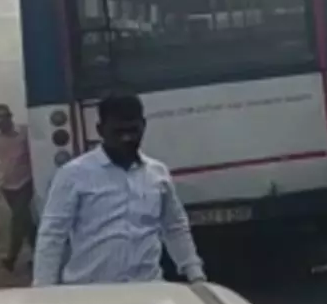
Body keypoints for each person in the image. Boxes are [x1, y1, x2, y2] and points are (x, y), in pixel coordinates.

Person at [32, 91, 206, 287]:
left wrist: (195, 275)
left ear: (144, 126)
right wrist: (43, 288)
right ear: (100, 130)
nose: (126, 138)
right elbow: (53, 234)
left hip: (148, 290)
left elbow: (175, 227)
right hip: (90, 295)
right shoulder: (73, 174)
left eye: (133, 131)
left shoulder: (158, 174)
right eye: (118, 132)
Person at [0, 104, 34, 273]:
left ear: (10, 117)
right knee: (26, 222)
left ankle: (11, 257)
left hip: (26, 182)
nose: (0, 121)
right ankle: (38, 255)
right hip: (6, 185)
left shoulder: (24, 133)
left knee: (18, 219)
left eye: (3, 117)